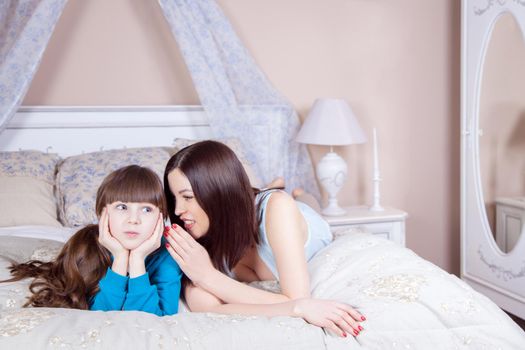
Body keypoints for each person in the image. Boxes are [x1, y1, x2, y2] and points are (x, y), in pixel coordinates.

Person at [163, 140, 365, 337]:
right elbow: (209, 309)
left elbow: (298, 298)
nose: (178, 210)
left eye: (187, 197)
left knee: (305, 201)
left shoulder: (278, 208)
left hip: (301, 218)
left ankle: (291, 191)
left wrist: (209, 277)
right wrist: (205, 275)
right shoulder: (192, 241)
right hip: (245, 213)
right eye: (174, 199)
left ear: (218, 192)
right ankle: (273, 186)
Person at [3, 165, 182, 316]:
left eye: (146, 210)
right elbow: (100, 316)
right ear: (102, 213)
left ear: (161, 217)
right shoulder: (86, 245)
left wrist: (137, 261)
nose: (133, 219)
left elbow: (156, 319)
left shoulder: (168, 253)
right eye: (122, 207)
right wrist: (120, 259)